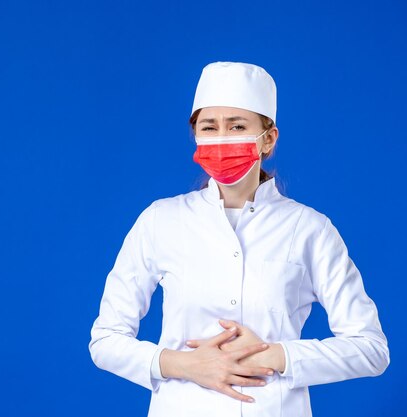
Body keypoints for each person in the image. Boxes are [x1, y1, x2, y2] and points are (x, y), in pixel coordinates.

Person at [88, 62, 389, 416]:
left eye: (237, 126)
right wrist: (181, 364)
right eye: (209, 127)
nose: (222, 139)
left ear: (269, 139)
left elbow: (371, 349)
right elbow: (105, 340)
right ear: (196, 135)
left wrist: (276, 354)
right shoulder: (160, 220)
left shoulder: (309, 229)